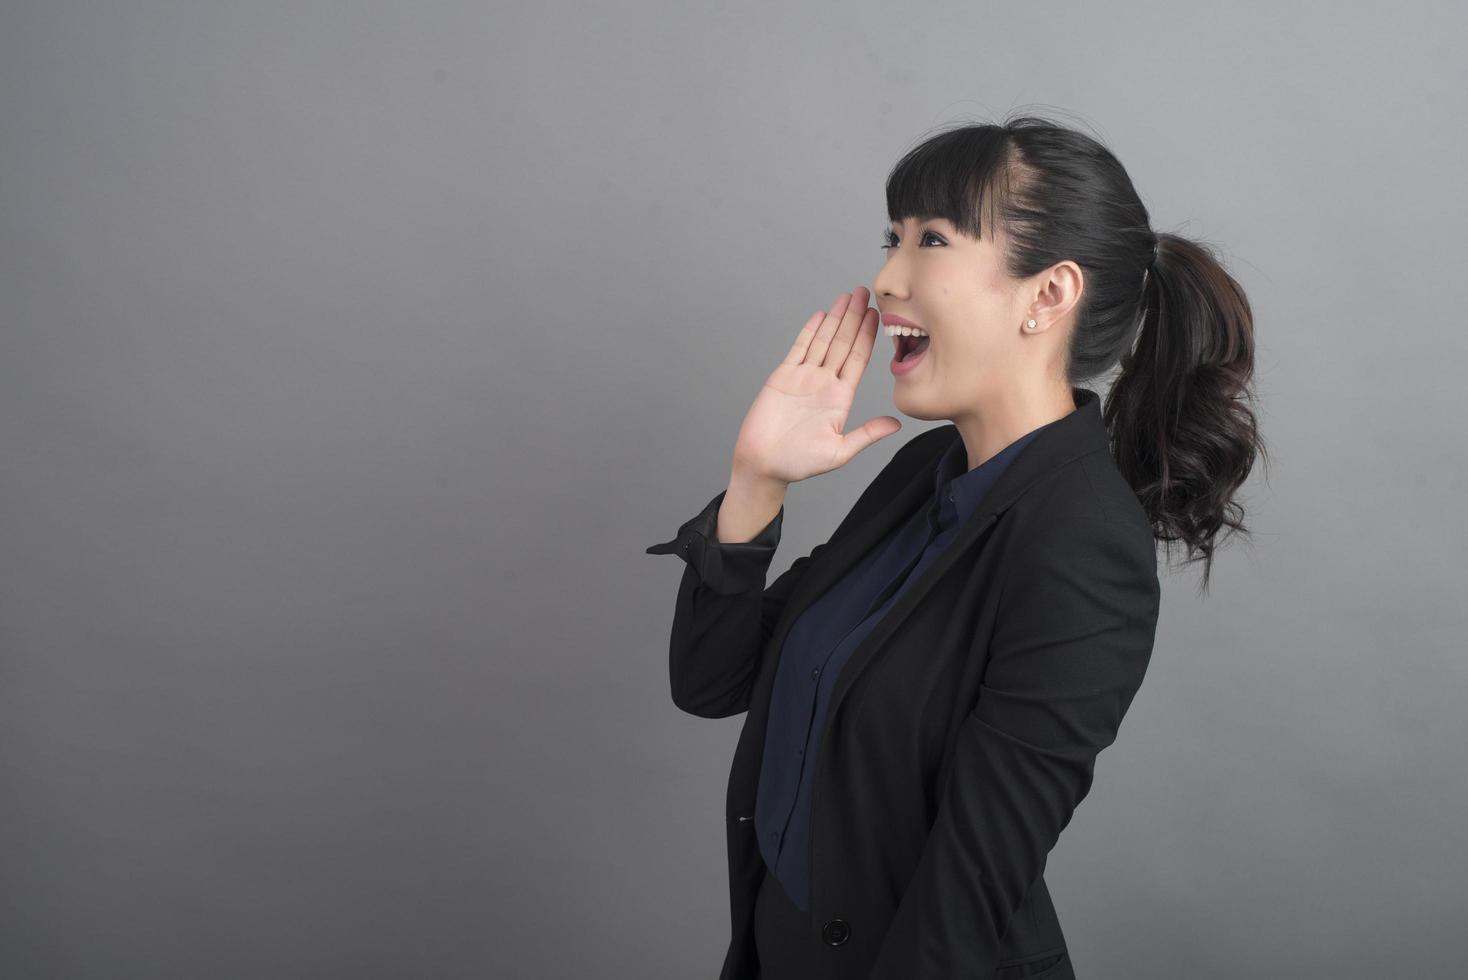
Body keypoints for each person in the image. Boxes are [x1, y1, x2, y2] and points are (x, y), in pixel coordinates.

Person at [646, 114, 1266, 980]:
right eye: (891, 238)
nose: (886, 278)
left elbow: (966, 894)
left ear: (1048, 295)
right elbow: (714, 682)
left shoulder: (1084, 545)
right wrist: (758, 482)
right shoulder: (924, 470)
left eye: (930, 239)